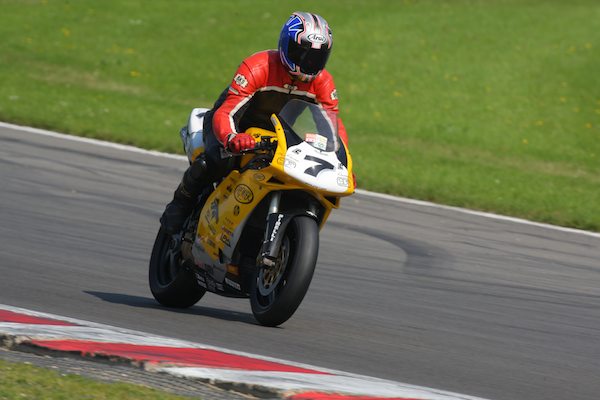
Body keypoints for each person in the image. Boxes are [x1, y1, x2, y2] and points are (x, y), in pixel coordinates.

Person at [160, 11, 350, 234]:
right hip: (235, 125)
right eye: (302, 53)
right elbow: (227, 111)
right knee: (215, 161)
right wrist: (231, 137)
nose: (307, 62)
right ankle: (180, 205)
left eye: (316, 57)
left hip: (278, 136)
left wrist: (341, 162)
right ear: (286, 45)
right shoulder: (258, 66)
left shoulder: (323, 82)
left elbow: (332, 125)